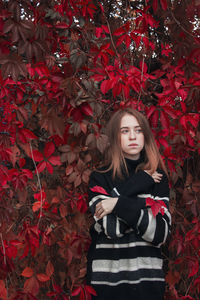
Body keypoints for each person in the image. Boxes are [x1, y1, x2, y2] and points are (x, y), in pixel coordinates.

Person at [86, 108, 171, 300]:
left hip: (148, 285)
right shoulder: (100, 179)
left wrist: (115, 203)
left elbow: (159, 233)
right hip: (107, 285)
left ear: (145, 135)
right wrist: (139, 189)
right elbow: (111, 228)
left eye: (138, 130)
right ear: (115, 137)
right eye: (125, 131)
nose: (133, 136)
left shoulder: (158, 178)